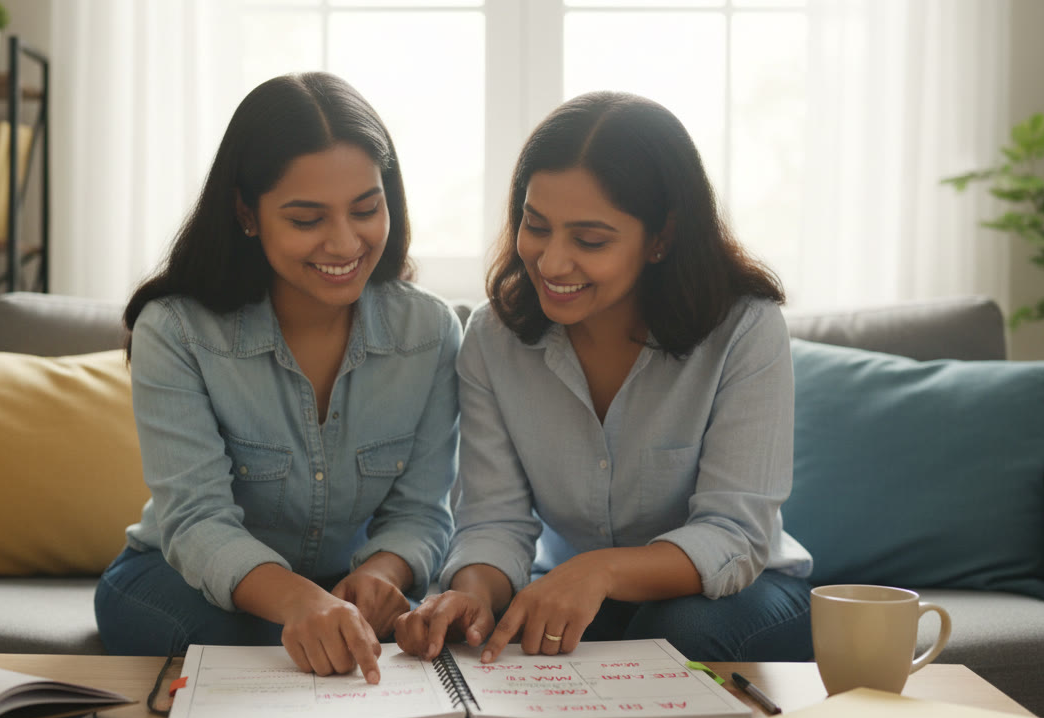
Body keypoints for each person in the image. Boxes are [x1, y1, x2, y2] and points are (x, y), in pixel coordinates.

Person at [394, 91, 814, 665]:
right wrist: (469, 597)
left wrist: (599, 570)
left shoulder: (744, 328)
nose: (550, 262)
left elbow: (734, 536)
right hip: (587, 588)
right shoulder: (496, 337)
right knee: (500, 637)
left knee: (673, 631)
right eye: (535, 226)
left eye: (589, 241)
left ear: (662, 237)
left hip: (742, 590)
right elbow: (494, 520)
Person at [96, 72, 461, 685]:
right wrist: (300, 602)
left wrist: (383, 574)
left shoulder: (430, 332)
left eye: (367, 209)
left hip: (335, 591)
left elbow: (423, 513)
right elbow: (196, 523)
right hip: (177, 578)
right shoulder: (176, 330)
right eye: (307, 219)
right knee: (265, 643)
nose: (345, 242)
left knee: (365, 641)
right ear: (246, 212)